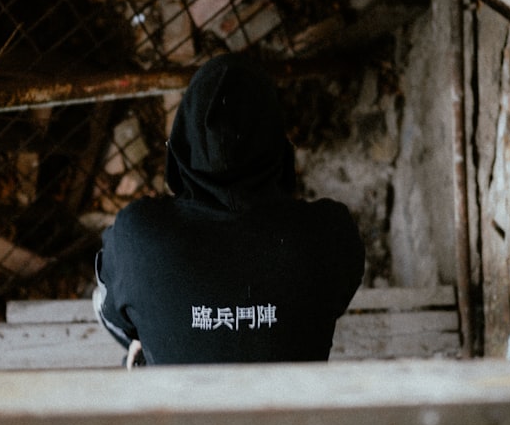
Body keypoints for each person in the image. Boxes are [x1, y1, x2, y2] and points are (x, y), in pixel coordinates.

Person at [94, 53, 365, 366]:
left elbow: (115, 313)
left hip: (178, 412)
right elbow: (339, 295)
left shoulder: (137, 237)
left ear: (180, 146)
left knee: (117, 299)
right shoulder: (329, 233)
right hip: (295, 412)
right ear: (279, 147)